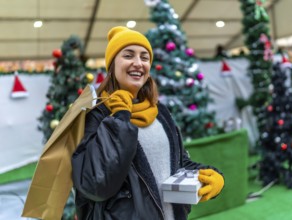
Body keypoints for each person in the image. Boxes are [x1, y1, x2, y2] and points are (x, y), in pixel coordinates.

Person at [71, 26, 225, 220]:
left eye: (144, 57)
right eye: (128, 55)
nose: (138, 63)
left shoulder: (159, 111)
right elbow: (96, 184)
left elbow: (177, 162)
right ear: (112, 64)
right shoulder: (96, 115)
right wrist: (120, 118)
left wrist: (211, 176)